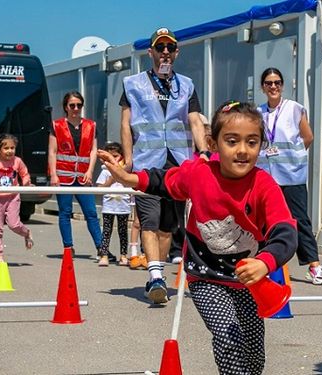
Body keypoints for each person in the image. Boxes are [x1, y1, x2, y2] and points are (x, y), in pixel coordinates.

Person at [99, 101, 297, 374]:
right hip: (206, 276)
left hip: (250, 281)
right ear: (213, 144)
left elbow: (285, 231)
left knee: (253, 355)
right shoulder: (198, 174)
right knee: (229, 337)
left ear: (261, 146)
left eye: (252, 142)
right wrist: (125, 176)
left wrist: (265, 262)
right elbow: (161, 181)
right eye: (232, 141)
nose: (242, 150)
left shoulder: (264, 185)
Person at [120, 27, 209, 304]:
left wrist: (203, 151)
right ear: (151, 52)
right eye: (160, 48)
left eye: (170, 47)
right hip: (147, 162)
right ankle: (156, 275)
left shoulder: (187, 84)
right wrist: (128, 157)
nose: (166, 52)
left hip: (178, 163)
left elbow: (194, 120)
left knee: (168, 226)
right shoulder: (133, 83)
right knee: (149, 218)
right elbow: (125, 123)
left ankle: (157, 274)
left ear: (177, 51)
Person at [257, 67, 322, 286]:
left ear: (283, 85)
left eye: (277, 82)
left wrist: (293, 156)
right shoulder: (257, 113)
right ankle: (264, 264)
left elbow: (308, 137)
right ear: (263, 87)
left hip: (292, 175)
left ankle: (313, 266)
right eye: (269, 83)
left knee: (299, 219)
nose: (273, 86)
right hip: (267, 176)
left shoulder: (295, 108)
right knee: (264, 221)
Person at [48, 91, 108, 260]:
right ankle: (68, 246)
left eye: (79, 105)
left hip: (83, 176)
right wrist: (53, 174)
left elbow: (93, 150)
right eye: (72, 105)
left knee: (91, 213)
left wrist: (90, 171)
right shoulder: (57, 125)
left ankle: (101, 248)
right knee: (65, 213)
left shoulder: (91, 125)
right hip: (64, 176)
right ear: (66, 107)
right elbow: (52, 151)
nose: (75, 108)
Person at [0, 133, 34, 266]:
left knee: (13, 224)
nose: (10, 151)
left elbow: (24, 173)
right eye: (6, 148)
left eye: (12, 148)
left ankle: (26, 232)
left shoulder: (17, 161)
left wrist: (26, 183)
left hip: (13, 196)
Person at [95, 142, 131, 266]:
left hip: (123, 206)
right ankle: (104, 255)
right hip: (109, 207)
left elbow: (130, 184)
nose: (113, 159)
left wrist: (121, 176)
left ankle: (123, 255)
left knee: (123, 232)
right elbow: (99, 188)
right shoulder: (105, 171)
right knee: (106, 231)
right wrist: (110, 181)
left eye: (115, 156)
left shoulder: (125, 171)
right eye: (110, 156)